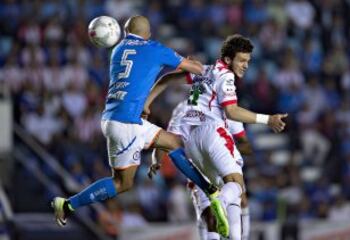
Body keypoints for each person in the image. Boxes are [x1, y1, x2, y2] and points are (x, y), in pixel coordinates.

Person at [51, 15, 223, 228]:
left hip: (115, 118)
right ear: (148, 33)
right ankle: (68, 204)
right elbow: (196, 69)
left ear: (125, 32)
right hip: (127, 123)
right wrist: (194, 64)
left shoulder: (118, 49)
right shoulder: (155, 48)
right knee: (122, 183)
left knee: (174, 143)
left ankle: (210, 191)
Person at [144, 34, 287, 238]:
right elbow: (232, 112)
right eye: (242, 60)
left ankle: (227, 223)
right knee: (237, 186)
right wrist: (268, 120)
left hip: (192, 143)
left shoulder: (202, 71)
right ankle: (220, 203)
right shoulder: (225, 75)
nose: (246, 65)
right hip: (212, 131)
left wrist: (147, 102)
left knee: (218, 202)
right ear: (228, 60)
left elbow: (167, 78)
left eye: (248, 61)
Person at [151, 100, 253, 240]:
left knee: (210, 216)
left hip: (195, 159)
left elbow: (167, 139)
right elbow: (246, 146)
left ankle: (232, 229)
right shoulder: (228, 108)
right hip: (216, 151)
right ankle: (238, 230)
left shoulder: (183, 108)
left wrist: (156, 160)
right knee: (236, 191)